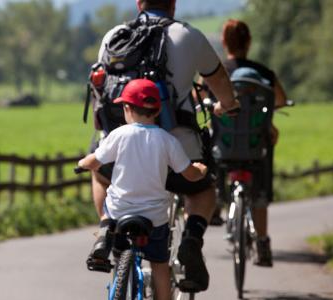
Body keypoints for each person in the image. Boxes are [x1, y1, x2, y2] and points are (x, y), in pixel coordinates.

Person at [87, 0, 240, 293]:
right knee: (202, 188)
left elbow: (103, 92)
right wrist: (228, 105)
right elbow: (219, 80)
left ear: (139, 3)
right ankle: (192, 240)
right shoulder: (188, 36)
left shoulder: (114, 36)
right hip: (175, 148)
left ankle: (107, 226)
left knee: (100, 175)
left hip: (119, 153)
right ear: (173, 4)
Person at [79, 78, 209, 300]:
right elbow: (189, 174)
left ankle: (104, 238)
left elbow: (95, 162)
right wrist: (200, 170)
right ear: (158, 110)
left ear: (127, 108)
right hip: (155, 218)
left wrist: (81, 164)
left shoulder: (118, 135)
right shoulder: (167, 140)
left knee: (110, 218)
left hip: (120, 213)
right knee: (159, 265)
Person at [218, 19, 290, 267]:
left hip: (224, 147)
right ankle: (262, 243)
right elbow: (280, 99)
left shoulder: (218, 71)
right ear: (249, 42)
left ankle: (216, 199)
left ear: (223, 41)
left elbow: (202, 99)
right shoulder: (264, 73)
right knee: (259, 184)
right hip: (255, 146)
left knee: (208, 141)